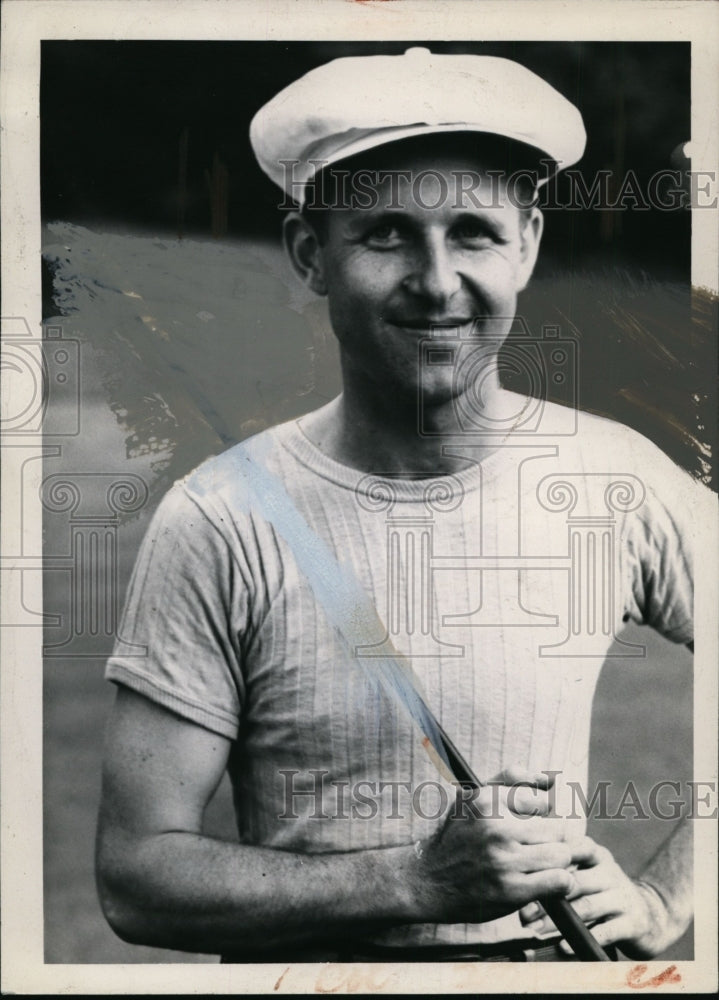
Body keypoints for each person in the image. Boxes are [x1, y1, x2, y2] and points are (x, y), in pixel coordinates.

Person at [96, 48, 702, 963]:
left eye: (473, 232)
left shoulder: (616, 478)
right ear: (311, 254)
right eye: (385, 234)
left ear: (527, 245)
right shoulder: (220, 517)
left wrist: (665, 895)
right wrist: (413, 881)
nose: (435, 281)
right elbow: (137, 874)